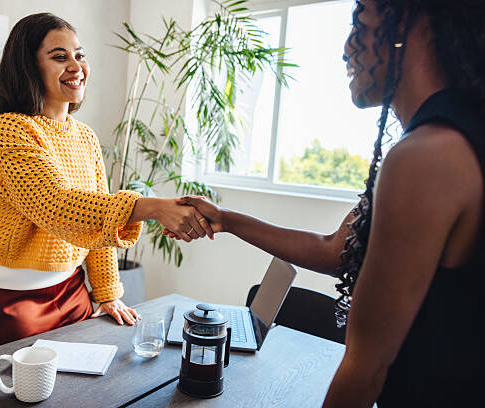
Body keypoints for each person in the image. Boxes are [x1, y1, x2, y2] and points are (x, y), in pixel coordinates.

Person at [169, 0, 485, 405]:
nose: (346, 47)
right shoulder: (456, 138)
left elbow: (365, 366)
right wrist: (227, 219)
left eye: (361, 22)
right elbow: (335, 250)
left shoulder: (428, 157)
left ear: (408, 24)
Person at [0, 13, 212, 351]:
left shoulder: (85, 137)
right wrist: (149, 207)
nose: (76, 65)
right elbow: (58, 207)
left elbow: (96, 229)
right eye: (59, 56)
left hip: (72, 288)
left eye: (80, 54)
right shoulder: (12, 129)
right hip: (12, 294)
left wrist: (107, 293)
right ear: (28, 66)